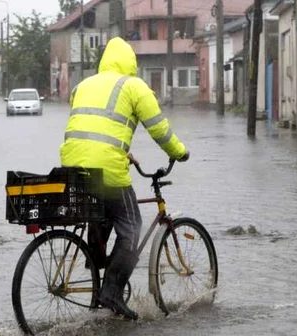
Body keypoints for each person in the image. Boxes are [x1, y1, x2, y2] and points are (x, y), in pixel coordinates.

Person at [59, 37, 189, 320]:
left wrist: (124, 152)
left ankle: (95, 264)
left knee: (102, 213)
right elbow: (159, 129)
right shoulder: (134, 86)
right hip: (107, 170)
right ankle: (111, 292)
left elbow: (96, 126)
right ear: (131, 62)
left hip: (72, 166)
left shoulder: (84, 85)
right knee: (132, 226)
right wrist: (180, 152)